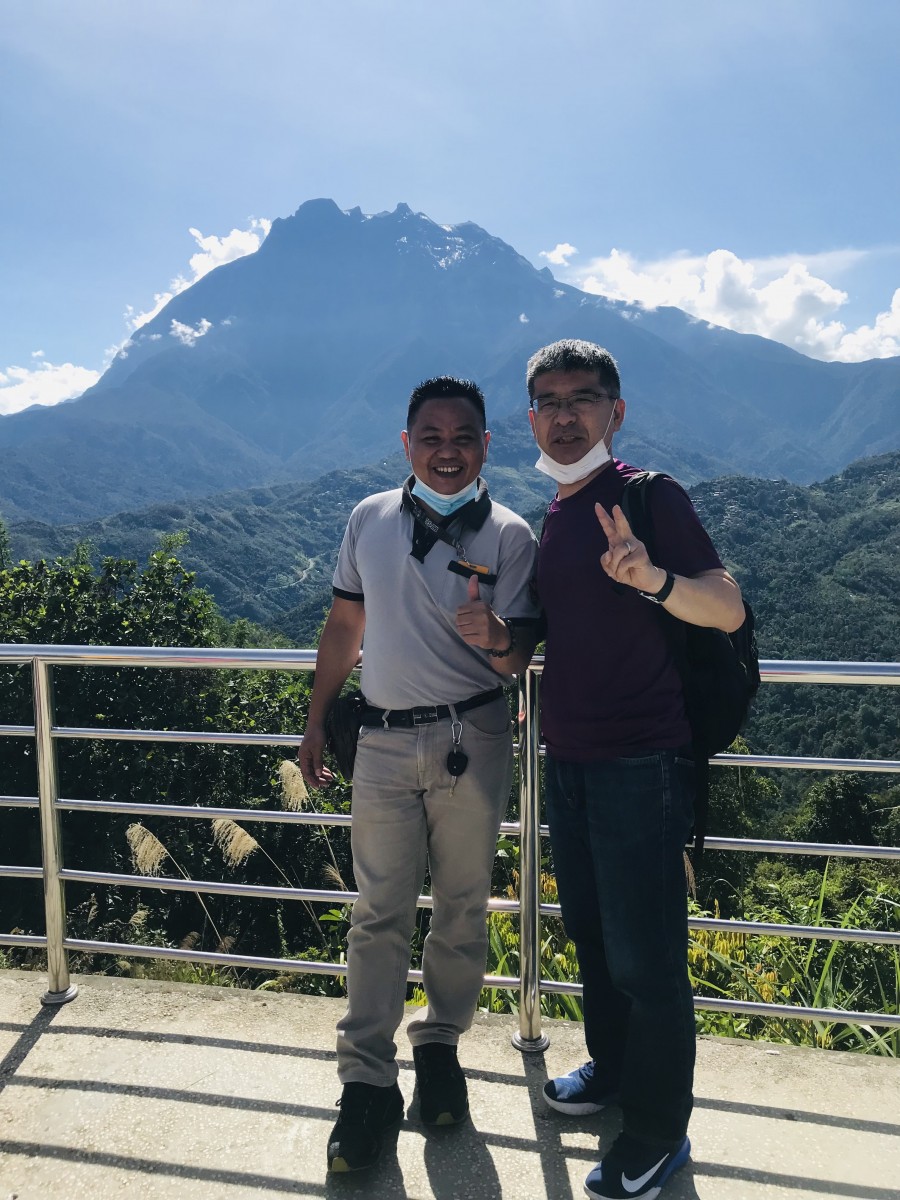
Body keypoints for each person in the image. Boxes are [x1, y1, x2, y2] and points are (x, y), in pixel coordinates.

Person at [298, 376, 540, 1174]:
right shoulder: (368, 518)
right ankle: (366, 1081)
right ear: (407, 445)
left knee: (463, 908)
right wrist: (314, 723)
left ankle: (439, 1044)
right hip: (382, 742)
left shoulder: (511, 536)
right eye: (430, 436)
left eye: (462, 435)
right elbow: (344, 624)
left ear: (485, 445)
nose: (446, 449)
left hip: (475, 732)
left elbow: (517, 657)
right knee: (379, 913)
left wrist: (496, 633)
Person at [527, 340, 745, 1200]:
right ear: (532, 417)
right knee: (593, 938)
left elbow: (723, 606)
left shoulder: (648, 496)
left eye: (584, 397)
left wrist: (652, 578)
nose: (566, 412)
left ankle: (658, 1135)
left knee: (651, 962)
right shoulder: (553, 512)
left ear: (617, 412)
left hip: (642, 762)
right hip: (570, 762)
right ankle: (613, 1072)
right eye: (549, 399)